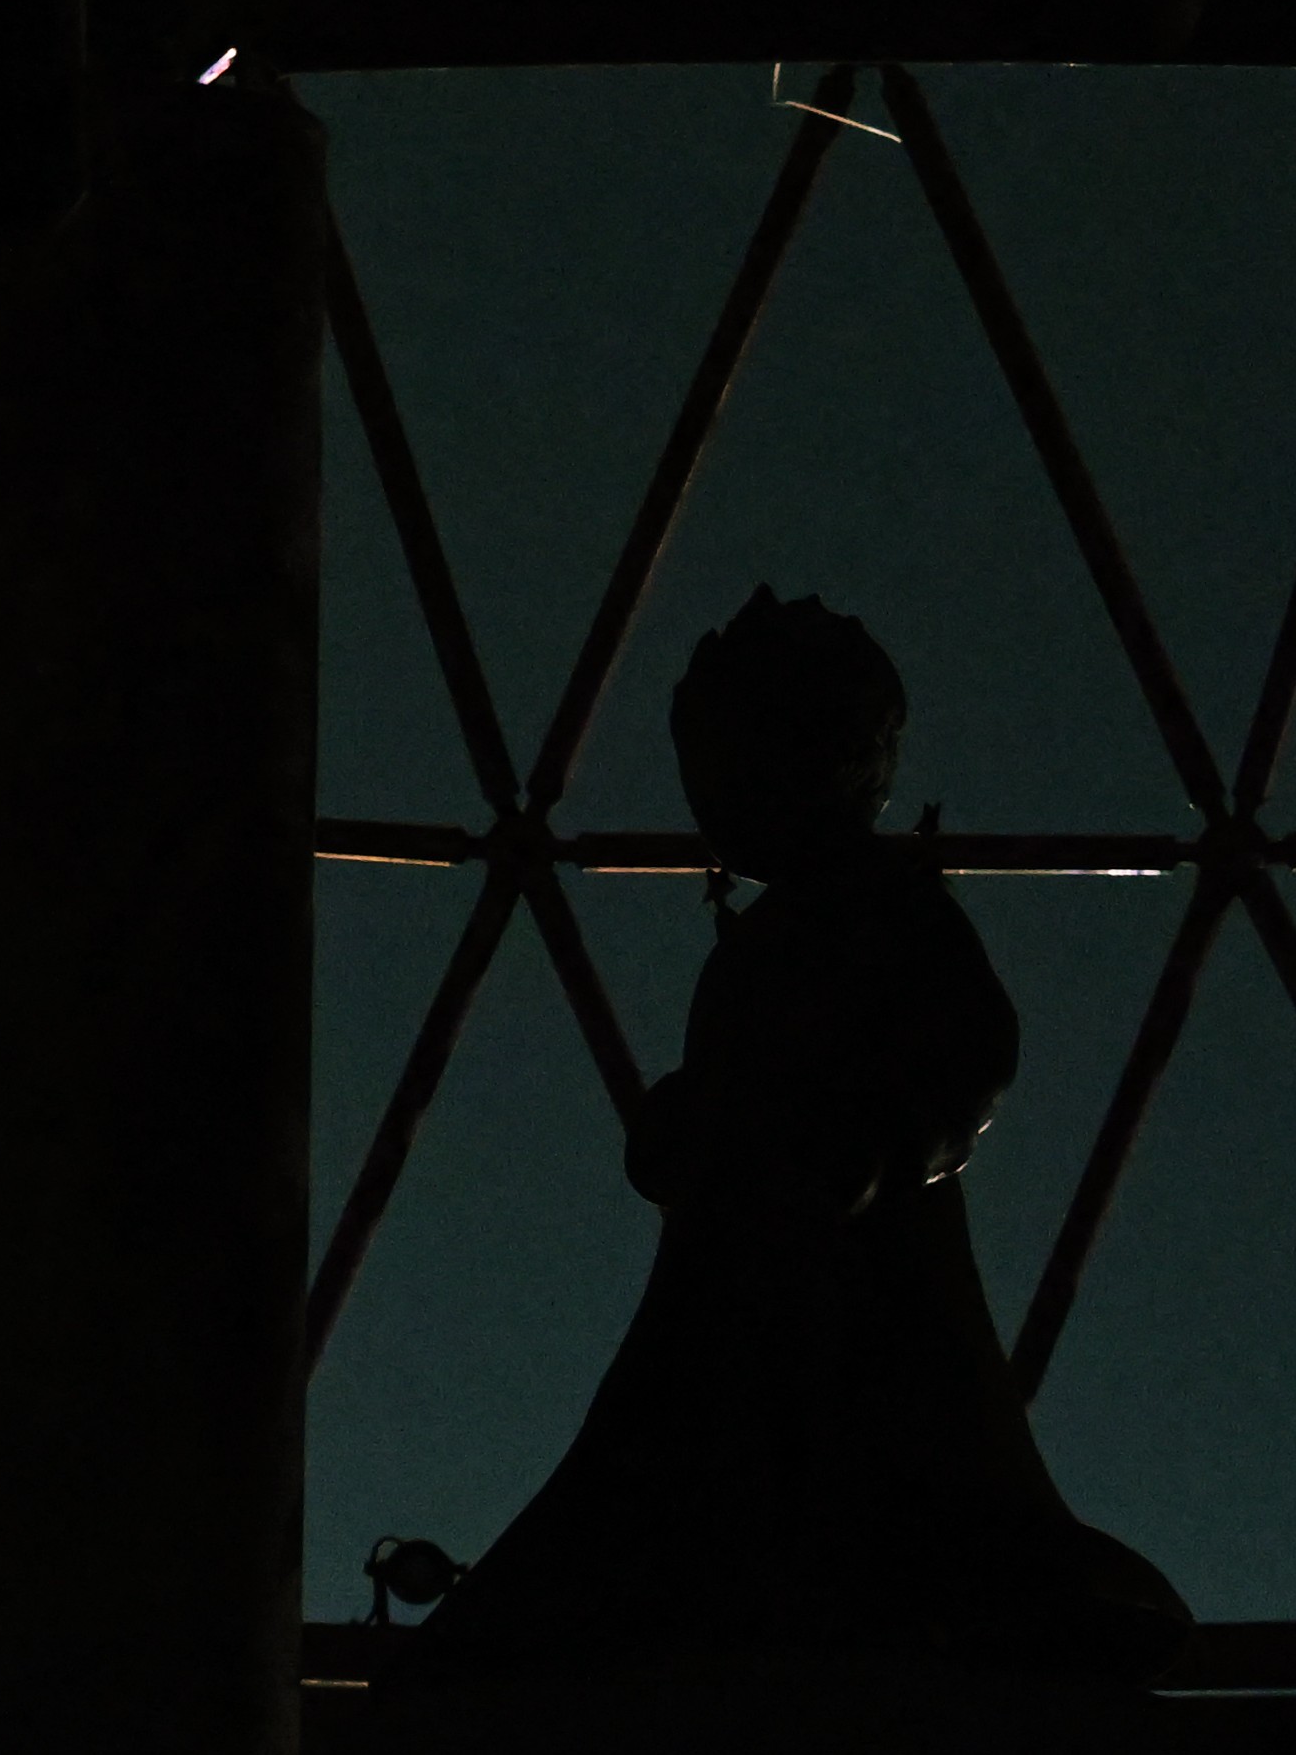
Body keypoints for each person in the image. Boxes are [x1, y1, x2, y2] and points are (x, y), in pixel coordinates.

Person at [400, 590, 1187, 1683]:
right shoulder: (798, 926)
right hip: (756, 1253)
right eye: (704, 769)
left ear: (831, 760)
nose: (712, 798)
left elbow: (969, 1044)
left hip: (842, 1258)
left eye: (733, 762)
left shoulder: (873, 906)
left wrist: (868, 1151)